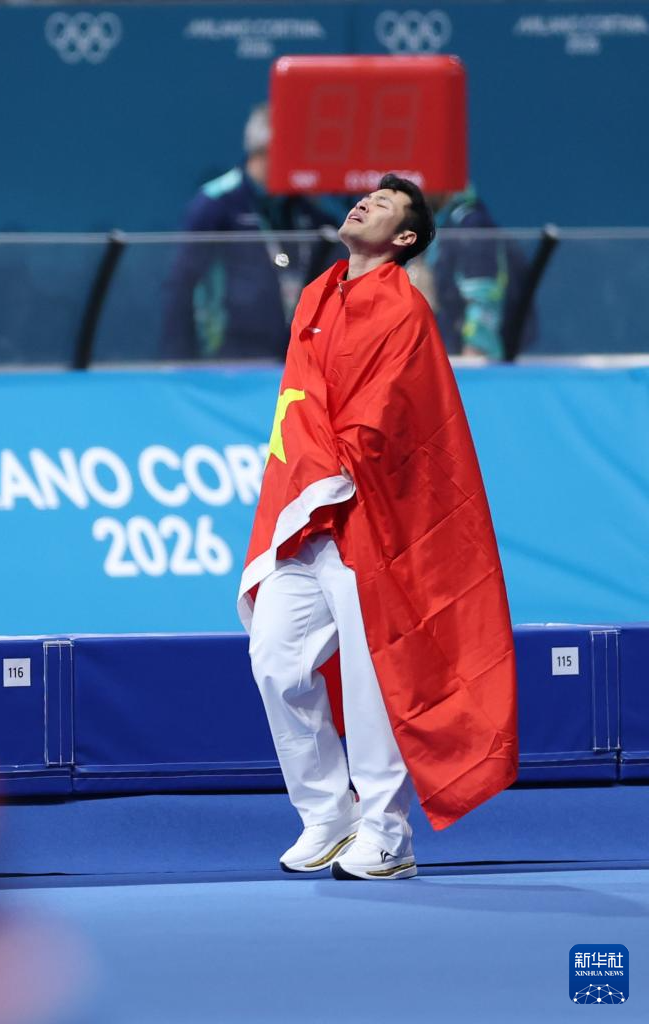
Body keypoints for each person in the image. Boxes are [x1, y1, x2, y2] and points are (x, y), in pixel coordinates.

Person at [237, 175, 518, 880]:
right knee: (275, 660)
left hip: (370, 519)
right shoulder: (316, 294)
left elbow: (382, 423)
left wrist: (330, 476)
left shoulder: (405, 311)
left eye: (386, 205)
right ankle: (327, 814)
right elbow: (299, 405)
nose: (365, 202)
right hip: (307, 513)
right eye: (368, 196)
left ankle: (388, 837)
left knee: (371, 683)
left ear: (404, 239)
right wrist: (305, 487)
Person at [159, 104, 338, 359]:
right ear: (266, 150)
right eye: (294, 151)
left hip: (292, 354)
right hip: (229, 356)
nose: (302, 160)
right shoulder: (216, 202)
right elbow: (180, 284)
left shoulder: (305, 207)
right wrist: (178, 362)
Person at [415, 185, 533, 360]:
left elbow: (484, 297)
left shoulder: (472, 225)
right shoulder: (440, 224)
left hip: (468, 364)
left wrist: (474, 358)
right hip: (447, 357)